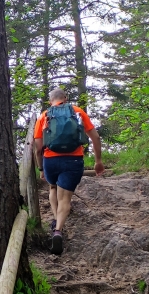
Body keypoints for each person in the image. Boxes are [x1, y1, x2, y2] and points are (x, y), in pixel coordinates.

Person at [33, 88, 104, 255]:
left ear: (50, 101)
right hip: (73, 160)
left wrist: (41, 168)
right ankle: (58, 230)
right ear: (65, 98)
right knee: (65, 198)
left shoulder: (44, 115)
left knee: (53, 188)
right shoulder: (77, 111)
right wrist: (98, 161)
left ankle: (56, 222)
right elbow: (95, 137)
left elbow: (37, 148)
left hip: (50, 160)